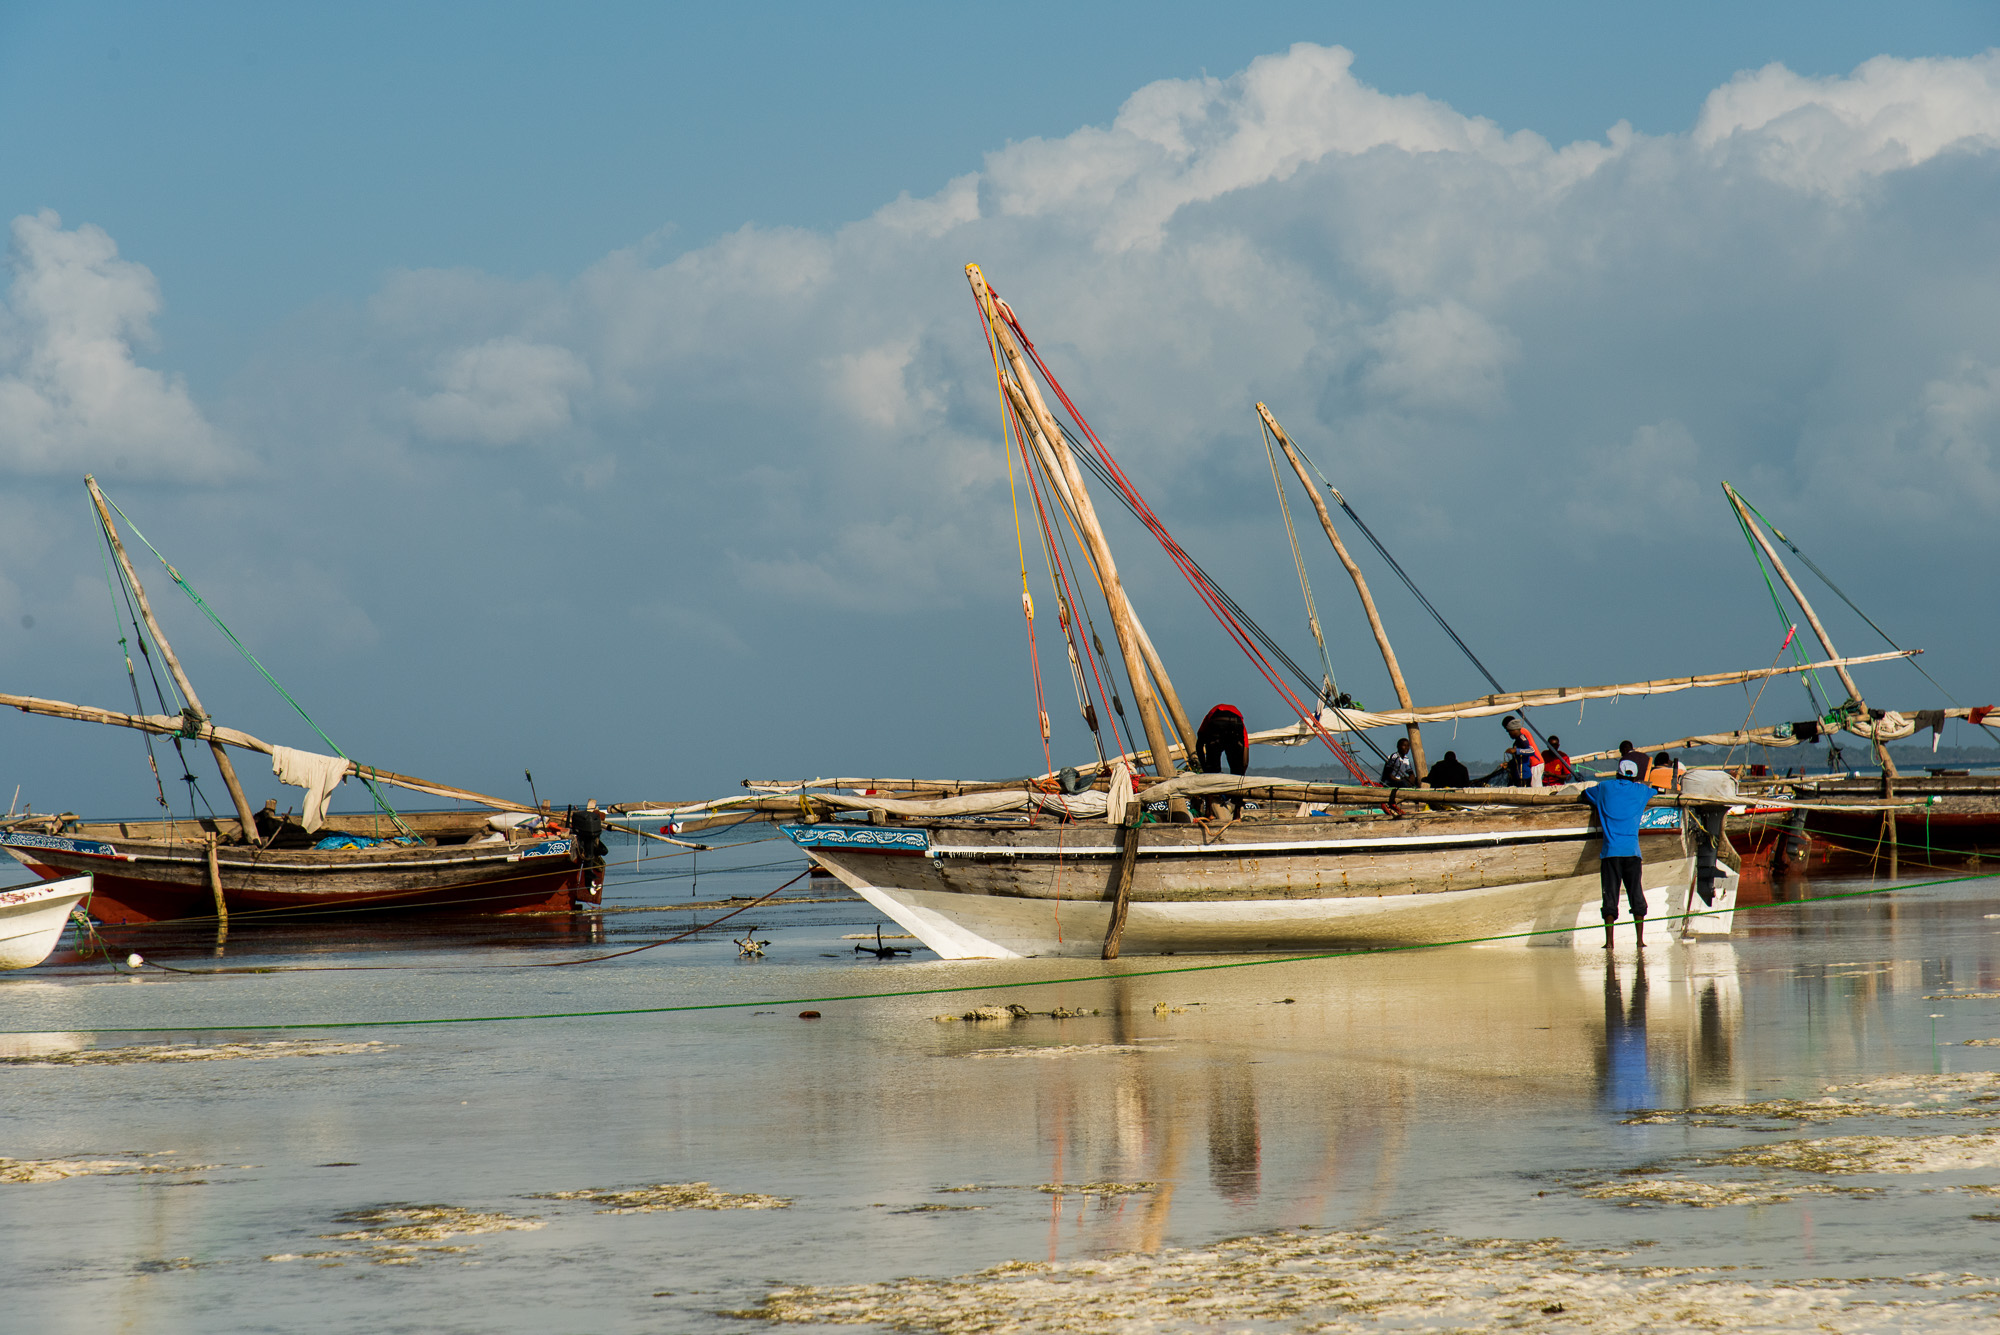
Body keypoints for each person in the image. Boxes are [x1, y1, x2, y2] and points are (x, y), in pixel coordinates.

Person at [1583, 757, 1656, 949]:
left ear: (1617, 773)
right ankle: (1640, 941)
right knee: (1636, 893)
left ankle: (1609, 942)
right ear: (1635, 777)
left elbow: (1585, 794)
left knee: (1610, 895)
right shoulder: (1641, 791)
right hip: (1632, 852)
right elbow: (1655, 790)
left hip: (1611, 853)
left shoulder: (1605, 788)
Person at [1196, 703, 1248, 818]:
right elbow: (1245, 755)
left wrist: (1205, 767)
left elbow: (1199, 744)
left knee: (1211, 773)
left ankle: (1208, 812)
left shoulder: (1209, 718)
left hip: (1217, 721)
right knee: (1237, 774)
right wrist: (1242, 772)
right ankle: (1237, 814)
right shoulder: (1240, 721)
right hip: (1235, 723)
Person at [1502, 715, 1543, 787]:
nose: (1508, 733)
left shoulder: (1521, 734)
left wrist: (1516, 750)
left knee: (1536, 789)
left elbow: (1531, 750)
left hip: (1535, 763)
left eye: (1508, 730)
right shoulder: (1518, 738)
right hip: (1529, 765)